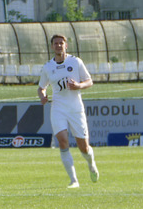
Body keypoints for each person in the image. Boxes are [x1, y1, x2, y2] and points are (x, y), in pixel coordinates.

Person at [37, 33, 99, 189]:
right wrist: (43, 97)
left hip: (75, 108)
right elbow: (41, 88)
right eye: (56, 43)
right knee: (63, 141)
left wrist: (79, 86)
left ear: (66, 45)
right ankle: (74, 180)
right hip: (58, 108)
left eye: (61, 43)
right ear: (52, 47)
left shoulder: (75, 62)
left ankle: (91, 163)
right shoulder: (47, 67)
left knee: (83, 147)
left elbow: (89, 81)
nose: (58, 45)